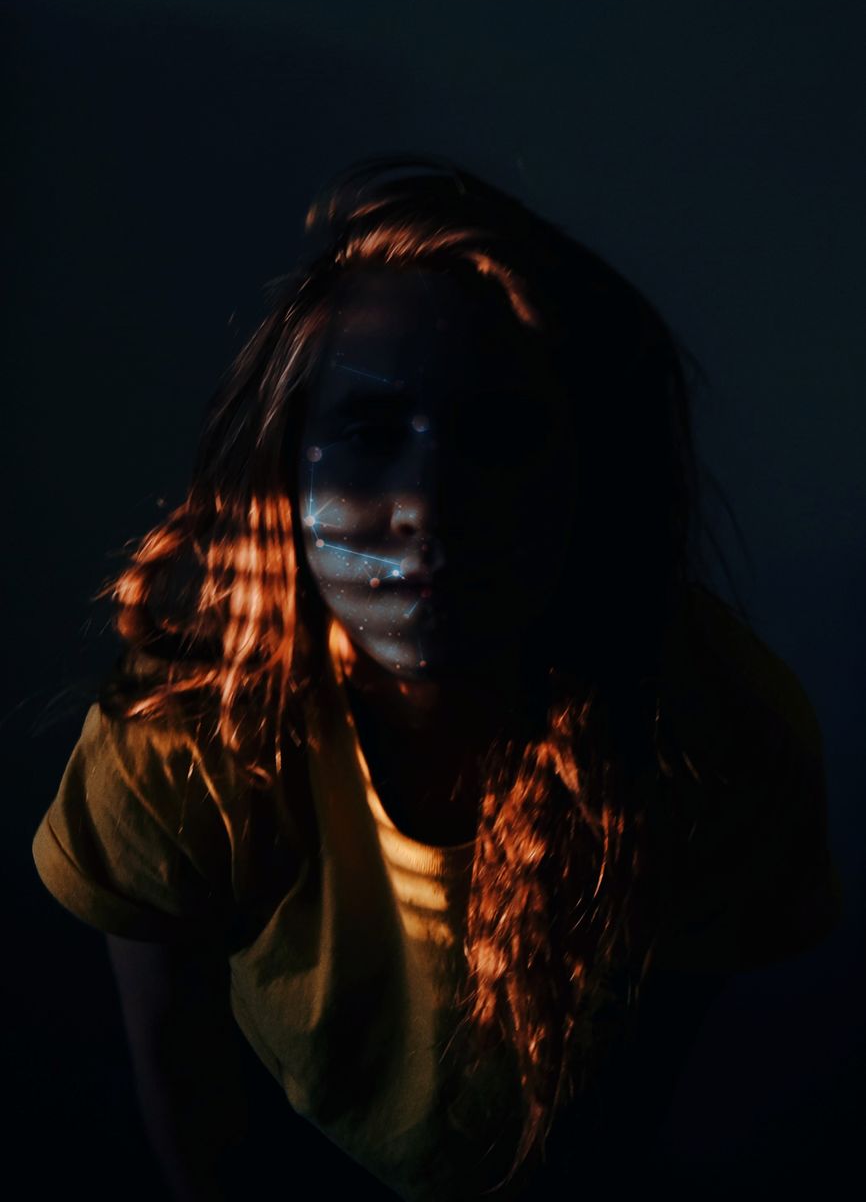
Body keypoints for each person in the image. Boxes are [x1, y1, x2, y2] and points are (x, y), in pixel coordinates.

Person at [31, 153, 845, 1201]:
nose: (427, 503)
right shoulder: (184, 732)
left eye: (499, 437)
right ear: (281, 467)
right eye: (368, 433)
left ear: (590, 471)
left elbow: (640, 1094)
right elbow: (184, 1084)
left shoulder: (714, 725)